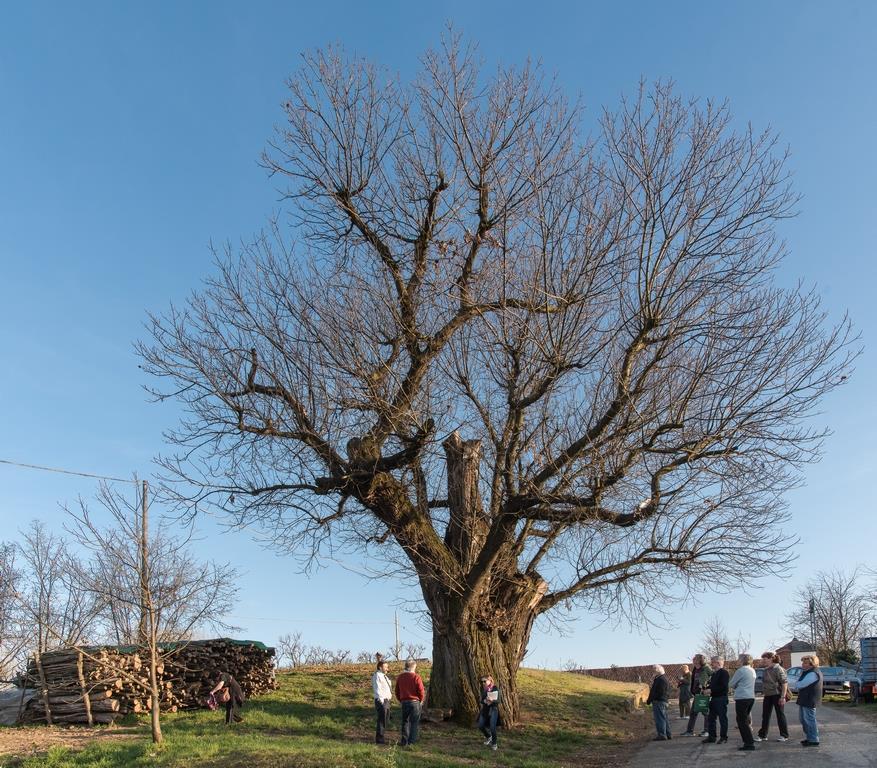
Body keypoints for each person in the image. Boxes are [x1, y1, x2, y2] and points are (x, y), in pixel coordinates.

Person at [757, 652, 789, 742]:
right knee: (765, 715)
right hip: (768, 695)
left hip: (777, 694)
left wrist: (782, 697)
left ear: (771, 658)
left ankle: (784, 735)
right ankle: (763, 735)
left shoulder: (778, 669)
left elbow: (784, 683)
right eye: (762, 658)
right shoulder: (766, 669)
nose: (763, 660)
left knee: (780, 715)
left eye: (764, 659)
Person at [394, 659, 425, 746]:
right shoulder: (416, 677)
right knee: (414, 722)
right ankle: (412, 741)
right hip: (415, 702)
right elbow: (421, 690)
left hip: (404, 701)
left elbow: (397, 691)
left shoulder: (400, 677)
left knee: (405, 722)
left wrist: (401, 700)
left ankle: (404, 741)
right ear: (413, 667)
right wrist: (421, 700)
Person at [729, 653, 757, 751]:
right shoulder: (752, 670)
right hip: (750, 697)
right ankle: (749, 741)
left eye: (738, 659)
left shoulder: (741, 670)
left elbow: (731, 684)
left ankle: (749, 743)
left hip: (742, 697)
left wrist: (736, 686)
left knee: (742, 721)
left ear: (742, 660)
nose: (737, 661)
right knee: (745, 720)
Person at [795, 654, 823, 747]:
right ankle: (810, 737)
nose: (803, 664)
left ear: (812, 664)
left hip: (810, 699)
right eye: (803, 662)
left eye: (805, 663)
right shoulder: (808, 672)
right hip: (805, 699)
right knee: (803, 719)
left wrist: (795, 683)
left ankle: (814, 739)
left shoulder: (813, 673)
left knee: (809, 720)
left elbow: (800, 685)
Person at [682, 654, 712, 736]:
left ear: (699, 660)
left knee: (705, 712)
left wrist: (708, 687)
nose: (693, 660)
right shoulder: (695, 669)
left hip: (703, 694)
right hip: (697, 694)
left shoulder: (706, 668)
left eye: (695, 659)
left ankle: (707, 731)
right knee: (693, 713)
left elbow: (713, 676)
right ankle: (689, 731)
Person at [702, 656, 729, 744]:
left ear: (718, 662)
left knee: (722, 718)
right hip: (713, 698)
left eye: (712, 662)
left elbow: (724, 687)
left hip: (721, 698)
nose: (711, 664)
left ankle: (723, 737)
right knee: (711, 719)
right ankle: (712, 737)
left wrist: (711, 690)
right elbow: (713, 686)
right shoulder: (714, 674)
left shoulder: (724, 673)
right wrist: (706, 689)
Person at [646, 664, 672, 740]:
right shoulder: (661, 678)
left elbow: (658, 692)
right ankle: (667, 734)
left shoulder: (660, 679)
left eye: (654, 670)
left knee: (660, 719)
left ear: (657, 670)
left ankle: (662, 735)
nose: (653, 671)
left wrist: (650, 699)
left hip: (659, 701)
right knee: (664, 718)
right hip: (662, 701)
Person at [477, 674, 500, 751]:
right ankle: (488, 737)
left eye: (484, 681)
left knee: (492, 727)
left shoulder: (495, 688)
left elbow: (498, 701)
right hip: (485, 710)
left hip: (493, 710)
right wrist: (484, 700)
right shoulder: (483, 689)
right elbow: (481, 700)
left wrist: (492, 701)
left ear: (490, 680)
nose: (483, 683)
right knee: (480, 725)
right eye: (482, 681)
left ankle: (494, 743)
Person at [372, 660, 392, 744]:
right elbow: (377, 688)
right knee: (382, 719)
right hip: (382, 700)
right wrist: (381, 701)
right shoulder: (377, 676)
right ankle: (379, 739)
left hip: (387, 700)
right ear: (380, 667)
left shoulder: (385, 676)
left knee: (385, 719)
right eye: (385, 667)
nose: (387, 668)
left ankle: (381, 736)